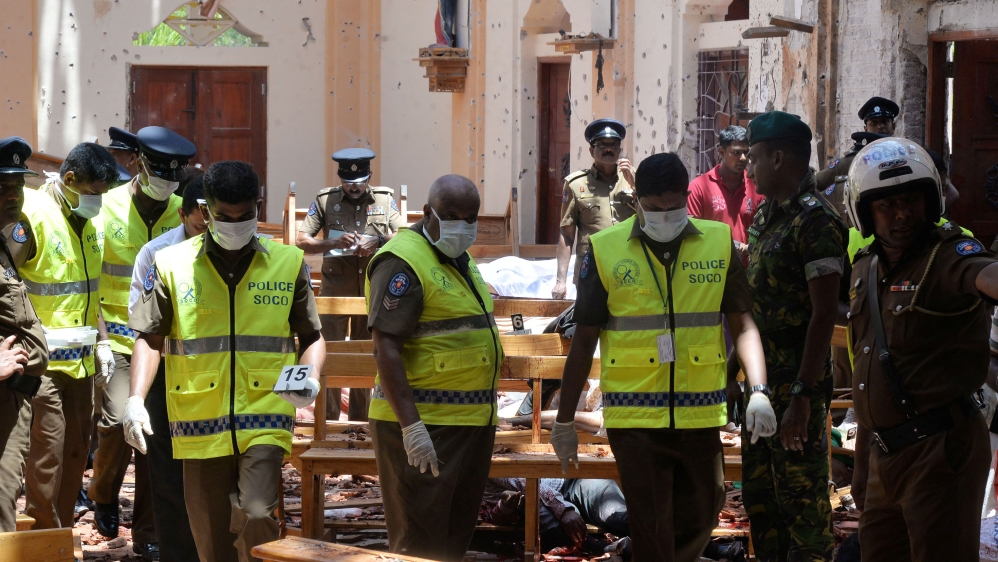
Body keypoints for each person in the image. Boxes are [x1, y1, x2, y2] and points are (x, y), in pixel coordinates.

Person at [550, 152, 778, 561]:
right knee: (652, 524)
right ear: (637, 199)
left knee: (706, 510)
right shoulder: (605, 249)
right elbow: (583, 340)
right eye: (655, 209)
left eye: (674, 207)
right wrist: (565, 420)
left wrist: (758, 389)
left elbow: (742, 322)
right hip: (635, 419)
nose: (666, 216)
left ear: (686, 195)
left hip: (700, 413)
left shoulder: (717, 242)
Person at [124, 160, 326, 562]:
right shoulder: (171, 264)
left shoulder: (287, 263)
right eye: (223, 216)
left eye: (245, 215)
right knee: (210, 535)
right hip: (198, 421)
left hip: (266, 414)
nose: (235, 224)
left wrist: (309, 374)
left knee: (256, 513)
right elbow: (150, 337)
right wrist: (135, 398)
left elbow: (312, 335)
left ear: (258, 206)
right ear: (205, 209)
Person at [845, 138, 998, 560]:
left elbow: (983, 274)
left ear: (930, 201)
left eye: (911, 200)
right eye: (887, 205)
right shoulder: (865, 267)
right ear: (865, 210)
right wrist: (862, 463)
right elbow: (865, 370)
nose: (901, 215)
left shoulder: (948, 254)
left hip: (939, 450)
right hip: (884, 453)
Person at [365, 174, 503, 560]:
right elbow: (385, 349)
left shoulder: (456, 256)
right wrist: (412, 428)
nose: (463, 224)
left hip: (469, 424)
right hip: (426, 424)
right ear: (427, 213)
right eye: (452, 215)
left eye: (471, 217)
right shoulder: (403, 261)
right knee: (420, 546)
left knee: (453, 542)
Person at [742, 111, 846, 561]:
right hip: (762, 384)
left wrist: (802, 397)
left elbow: (824, 315)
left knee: (802, 507)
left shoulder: (816, 221)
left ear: (778, 157)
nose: (748, 167)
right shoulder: (767, 213)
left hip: (795, 386)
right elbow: (754, 303)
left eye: (754, 157)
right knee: (761, 501)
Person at [90, 125, 195, 556]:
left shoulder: (183, 210)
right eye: (160, 172)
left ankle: (149, 532)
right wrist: (97, 338)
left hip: (163, 341)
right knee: (116, 422)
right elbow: (90, 276)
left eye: (175, 176)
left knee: (157, 437)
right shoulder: (106, 206)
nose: (168, 183)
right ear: (137, 163)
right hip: (114, 335)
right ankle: (102, 490)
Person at [11, 142, 117, 530]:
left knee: (75, 453)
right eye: (94, 192)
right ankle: (43, 538)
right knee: (48, 454)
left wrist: (103, 341)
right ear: (69, 180)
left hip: (82, 362)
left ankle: (61, 534)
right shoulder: (32, 216)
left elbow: (92, 290)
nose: (99, 201)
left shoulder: (93, 220)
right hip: (43, 363)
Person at [120, 175, 206, 562]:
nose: (208, 228)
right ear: (183, 213)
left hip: (214, 376)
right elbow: (146, 326)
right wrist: (136, 396)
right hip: (166, 372)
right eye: (199, 220)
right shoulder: (155, 254)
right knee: (166, 475)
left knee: (214, 477)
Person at [297, 148, 404, 422]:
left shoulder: (384, 198)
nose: (354, 188)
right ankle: (328, 419)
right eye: (348, 183)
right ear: (340, 178)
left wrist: (377, 241)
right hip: (336, 288)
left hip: (372, 285)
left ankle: (361, 421)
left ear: (369, 177)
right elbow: (301, 240)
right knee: (328, 351)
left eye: (359, 183)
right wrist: (332, 242)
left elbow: (402, 233)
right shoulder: (325, 200)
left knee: (367, 351)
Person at [0, 137, 48, 532]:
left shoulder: (9, 239)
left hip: (15, 398)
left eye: (17, 186)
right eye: (2, 188)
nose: (13, 196)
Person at [552, 118, 636, 299]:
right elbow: (566, 234)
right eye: (602, 145)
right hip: (592, 267)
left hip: (630, 264)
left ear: (620, 150)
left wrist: (636, 186)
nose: (608, 149)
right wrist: (561, 281)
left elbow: (650, 216)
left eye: (614, 145)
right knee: (589, 324)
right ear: (592, 150)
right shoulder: (575, 184)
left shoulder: (633, 177)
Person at [483, 478, 629, 554]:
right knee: (547, 524)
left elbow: (529, 482)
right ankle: (608, 548)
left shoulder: (487, 464)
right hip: (541, 507)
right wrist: (504, 507)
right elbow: (490, 518)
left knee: (618, 518)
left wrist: (564, 510)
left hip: (573, 483)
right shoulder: (465, 490)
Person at [687, 125, 764, 260]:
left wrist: (749, 248)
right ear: (721, 152)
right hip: (712, 271)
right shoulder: (698, 188)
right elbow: (691, 234)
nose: (743, 158)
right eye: (736, 153)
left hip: (748, 274)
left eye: (746, 153)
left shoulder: (756, 187)